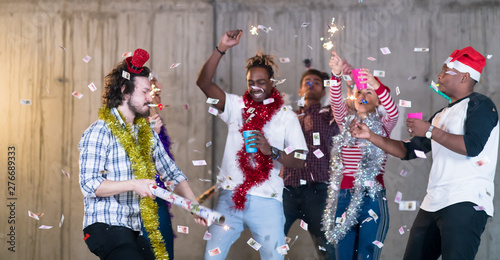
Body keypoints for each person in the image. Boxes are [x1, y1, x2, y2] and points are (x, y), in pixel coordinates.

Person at [350, 46, 498, 260]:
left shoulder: (481, 105)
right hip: (434, 202)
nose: (439, 76)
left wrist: (429, 130)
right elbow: (407, 151)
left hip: (467, 200)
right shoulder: (441, 114)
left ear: (465, 76)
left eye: (446, 71)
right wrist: (371, 136)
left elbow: (472, 146)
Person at [79, 49, 205, 260]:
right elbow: (90, 184)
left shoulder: (146, 134)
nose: (150, 97)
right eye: (145, 92)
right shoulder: (99, 131)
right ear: (125, 91)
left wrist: (194, 206)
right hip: (104, 225)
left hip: (133, 228)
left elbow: (172, 174)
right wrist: (134, 184)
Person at [196, 29, 308, 260]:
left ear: (271, 83)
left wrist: (272, 151)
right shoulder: (236, 106)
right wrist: (221, 48)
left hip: (267, 201)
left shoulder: (286, 115)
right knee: (211, 257)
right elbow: (203, 83)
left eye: (261, 82)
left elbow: (300, 160)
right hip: (231, 197)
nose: (256, 87)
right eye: (250, 83)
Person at [322, 51, 399, 260]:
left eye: (369, 93)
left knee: (367, 253)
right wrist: (336, 76)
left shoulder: (384, 126)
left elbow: (393, 112)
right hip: (344, 196)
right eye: (359, 93)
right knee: (343, 254)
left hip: (372, 196)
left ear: (378, 102)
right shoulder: (346, 122)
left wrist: (377, 85)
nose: (362, 97)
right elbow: (337, 104)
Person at [281, 69, 339, 259]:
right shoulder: (288, 117)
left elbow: (343, 109)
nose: (311, 84)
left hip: (318, 191)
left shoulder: (329, 116)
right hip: (286, 190)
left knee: (327, 249)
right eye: (307, 81)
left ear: (324, 92)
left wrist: (337, 76)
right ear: (299, 90)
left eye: (316, 82)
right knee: (272, 241)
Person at [140, 76, 176, 259]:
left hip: (158, 198)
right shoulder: (131, 122)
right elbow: (136, 163)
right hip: (139, 202)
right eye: (153, 93)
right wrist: (152, 134)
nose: (157, 98)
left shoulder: (153, 120)